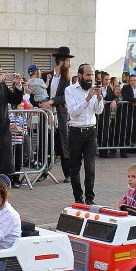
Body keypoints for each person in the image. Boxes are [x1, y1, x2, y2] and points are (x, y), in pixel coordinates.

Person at [65, 63, 104, 204]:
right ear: (80, 75)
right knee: (75, 168)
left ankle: (90, 199)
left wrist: (99, 98)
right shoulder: (70, 90)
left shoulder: (95, 90)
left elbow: (99, 111)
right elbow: (73, 113)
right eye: (87, 75)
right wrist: (87, 99)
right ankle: (78, 198)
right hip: (75, 132)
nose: (90, 78)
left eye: (92, 75)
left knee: (90, 167)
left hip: (91, 132)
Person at [49, 47, 74, 181]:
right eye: (67, 61)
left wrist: (51, 101)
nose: (69, 63)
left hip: (60, 114)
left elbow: (65, 96)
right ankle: (44, 171)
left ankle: (68, 173)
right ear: (61, 62)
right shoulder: (48, 76)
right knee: (47, 142)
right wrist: (44, 103)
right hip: (47, 114)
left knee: (64, 143)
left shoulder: (66, 79)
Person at [9, 107, 26, 187]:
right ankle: (10, 179)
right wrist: (11, 127)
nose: (22, 108)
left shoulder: (22, 119)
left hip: (19, 143)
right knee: (10, 161)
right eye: (20, 106)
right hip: (10, 143)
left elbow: (25, 132)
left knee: (18, 161)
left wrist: (20, 130)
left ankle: (16, 179)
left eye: (23, 106)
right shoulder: (9, 117)